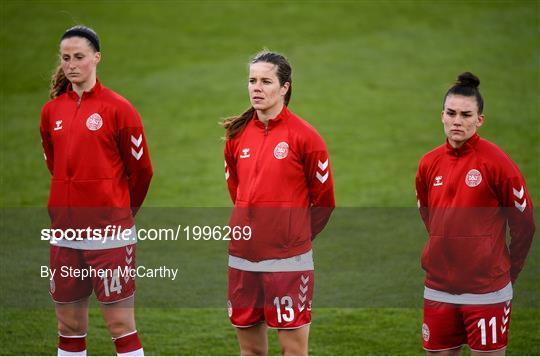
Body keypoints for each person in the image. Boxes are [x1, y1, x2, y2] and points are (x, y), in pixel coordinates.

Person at [40, 25, 153, 356]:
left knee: (120, 327)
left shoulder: (119, 109)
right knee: (69, 328)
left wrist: (119, 210)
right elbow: (56, 165)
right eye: (65, 58)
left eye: (79, 57)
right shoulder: (51, 112)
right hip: (64, 236)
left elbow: (142, 171)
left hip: (110, 236)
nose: (72, 65)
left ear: (96, 58)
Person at [222, 51, 335, 355]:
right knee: (250, 351)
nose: (256, 87)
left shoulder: (306, 138)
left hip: (289, 261)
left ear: (284, 87)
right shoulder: (237, 136)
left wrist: (293, 235)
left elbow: (324, 202)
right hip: (242, 257)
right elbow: (237, 190)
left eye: (265, 81)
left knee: (293, 351)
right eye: (252, 80)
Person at [415, 72, 535, 356]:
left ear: (479, 119)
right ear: (441, 115)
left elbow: (525, 225)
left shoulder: (498, 164)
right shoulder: (428, 163)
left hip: (487, 291)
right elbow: (429, 217)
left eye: (466, 115)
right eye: (451, 113)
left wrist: (508, 271)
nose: (457, 121)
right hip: (438, 288)